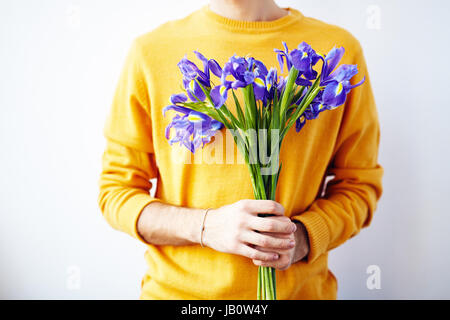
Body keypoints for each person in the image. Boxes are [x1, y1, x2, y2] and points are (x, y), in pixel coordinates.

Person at [98, 0, 383, 299]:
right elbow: (117, 192)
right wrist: (205, 227)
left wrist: (301, 237)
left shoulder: (337, 50)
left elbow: (359, 185)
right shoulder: (152, 52)